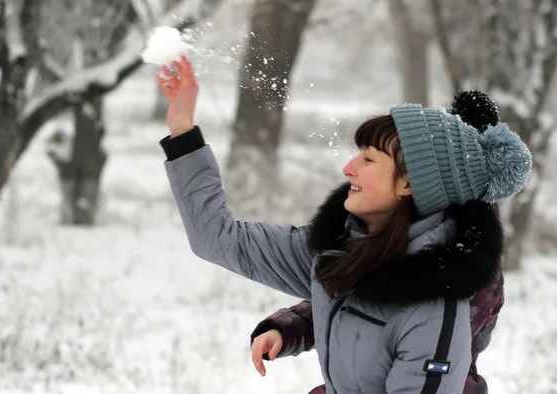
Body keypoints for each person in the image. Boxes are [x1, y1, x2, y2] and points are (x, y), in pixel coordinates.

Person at [157, 56, 532, 394]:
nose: (348, 168)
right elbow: (218, 239)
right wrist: (182, 131)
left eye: (368, 160)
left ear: (409, 184)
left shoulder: (435, 307)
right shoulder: (338, 252)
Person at [249, 91, 505, 394]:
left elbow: (385, 312)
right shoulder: (419, 223)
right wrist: (290, 326)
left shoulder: (461, 262)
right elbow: (360, 300)